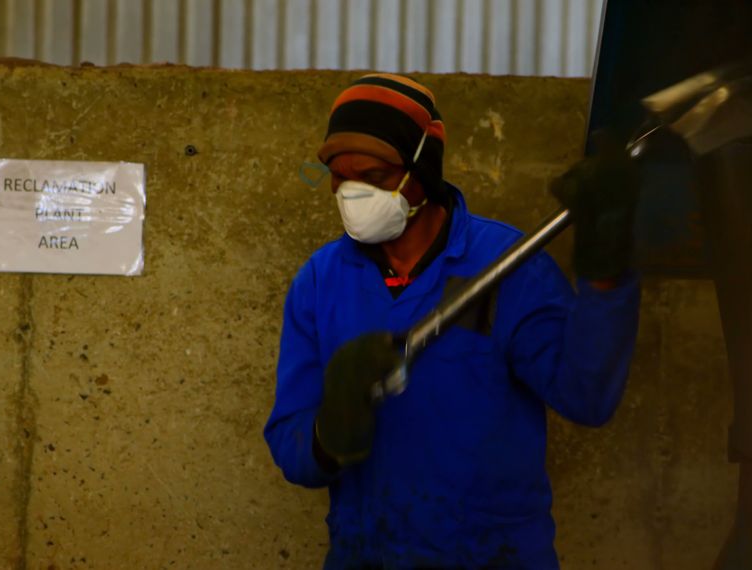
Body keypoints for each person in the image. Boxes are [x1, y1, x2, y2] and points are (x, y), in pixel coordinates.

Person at [264, 73, 640, 569]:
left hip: (495, 558)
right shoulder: (321, 281)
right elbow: (290, 441)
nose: (350, 193)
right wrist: (329, 432)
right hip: (366, 556)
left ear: (422, 168)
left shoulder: (506, 265)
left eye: (373, 178)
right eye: (339, 175)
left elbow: (587, 396)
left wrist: (606, 271)